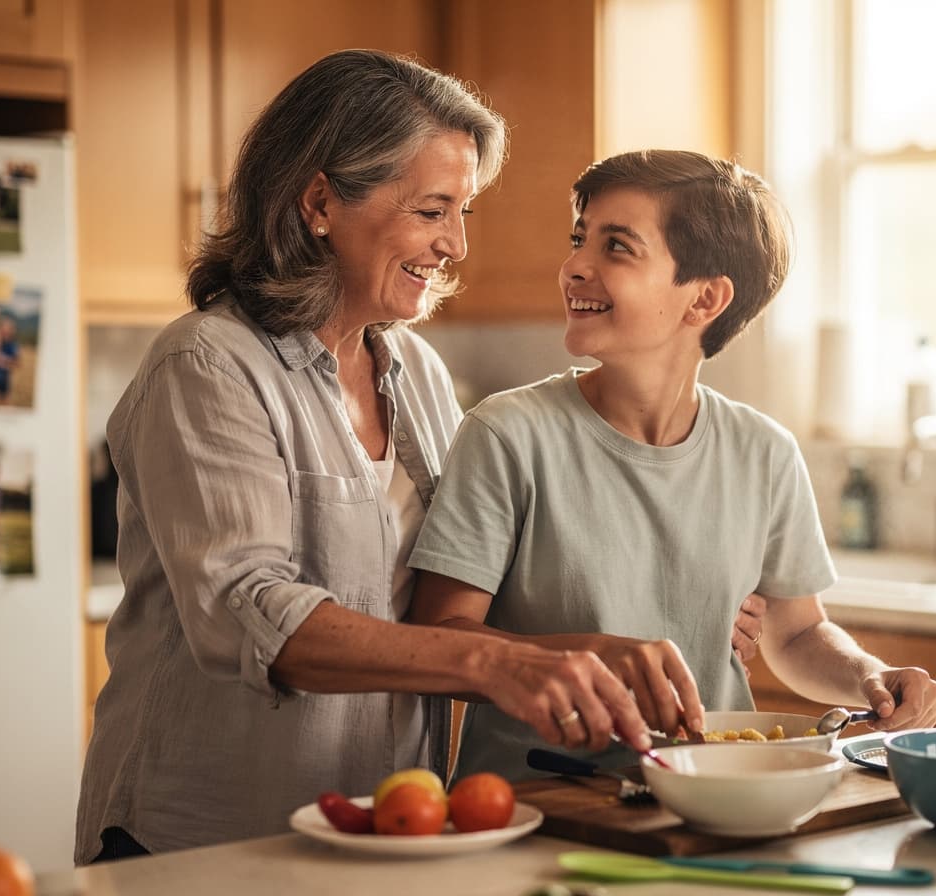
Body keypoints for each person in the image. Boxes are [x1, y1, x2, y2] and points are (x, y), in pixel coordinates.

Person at [74, 49, 696, 866]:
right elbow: (251, 614)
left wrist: (593, 645)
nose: (457, 246)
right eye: (433, 211)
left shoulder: (419, 373)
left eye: (461, 212)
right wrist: (497, 662)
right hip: (204, 842)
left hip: (378, 834)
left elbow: (440, 598)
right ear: (321, 201)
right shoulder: (207, 366)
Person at [408, 150, 936, 783]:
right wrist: (582, 658)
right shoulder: (507, 434)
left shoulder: (764, 453)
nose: (575, 266)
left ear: (706, 298)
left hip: (715, 798)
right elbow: (438, 638)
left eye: (617, 247)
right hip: (540, 807)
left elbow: (797, 636)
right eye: (580, 240)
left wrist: (868, 678)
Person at [0, 317, 19, 405]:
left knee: (4, 405)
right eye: (4, 328)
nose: (6, 330)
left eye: (9, 328)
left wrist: (5, 361)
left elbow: (17, 363)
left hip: (5, 379)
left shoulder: (14, 345)